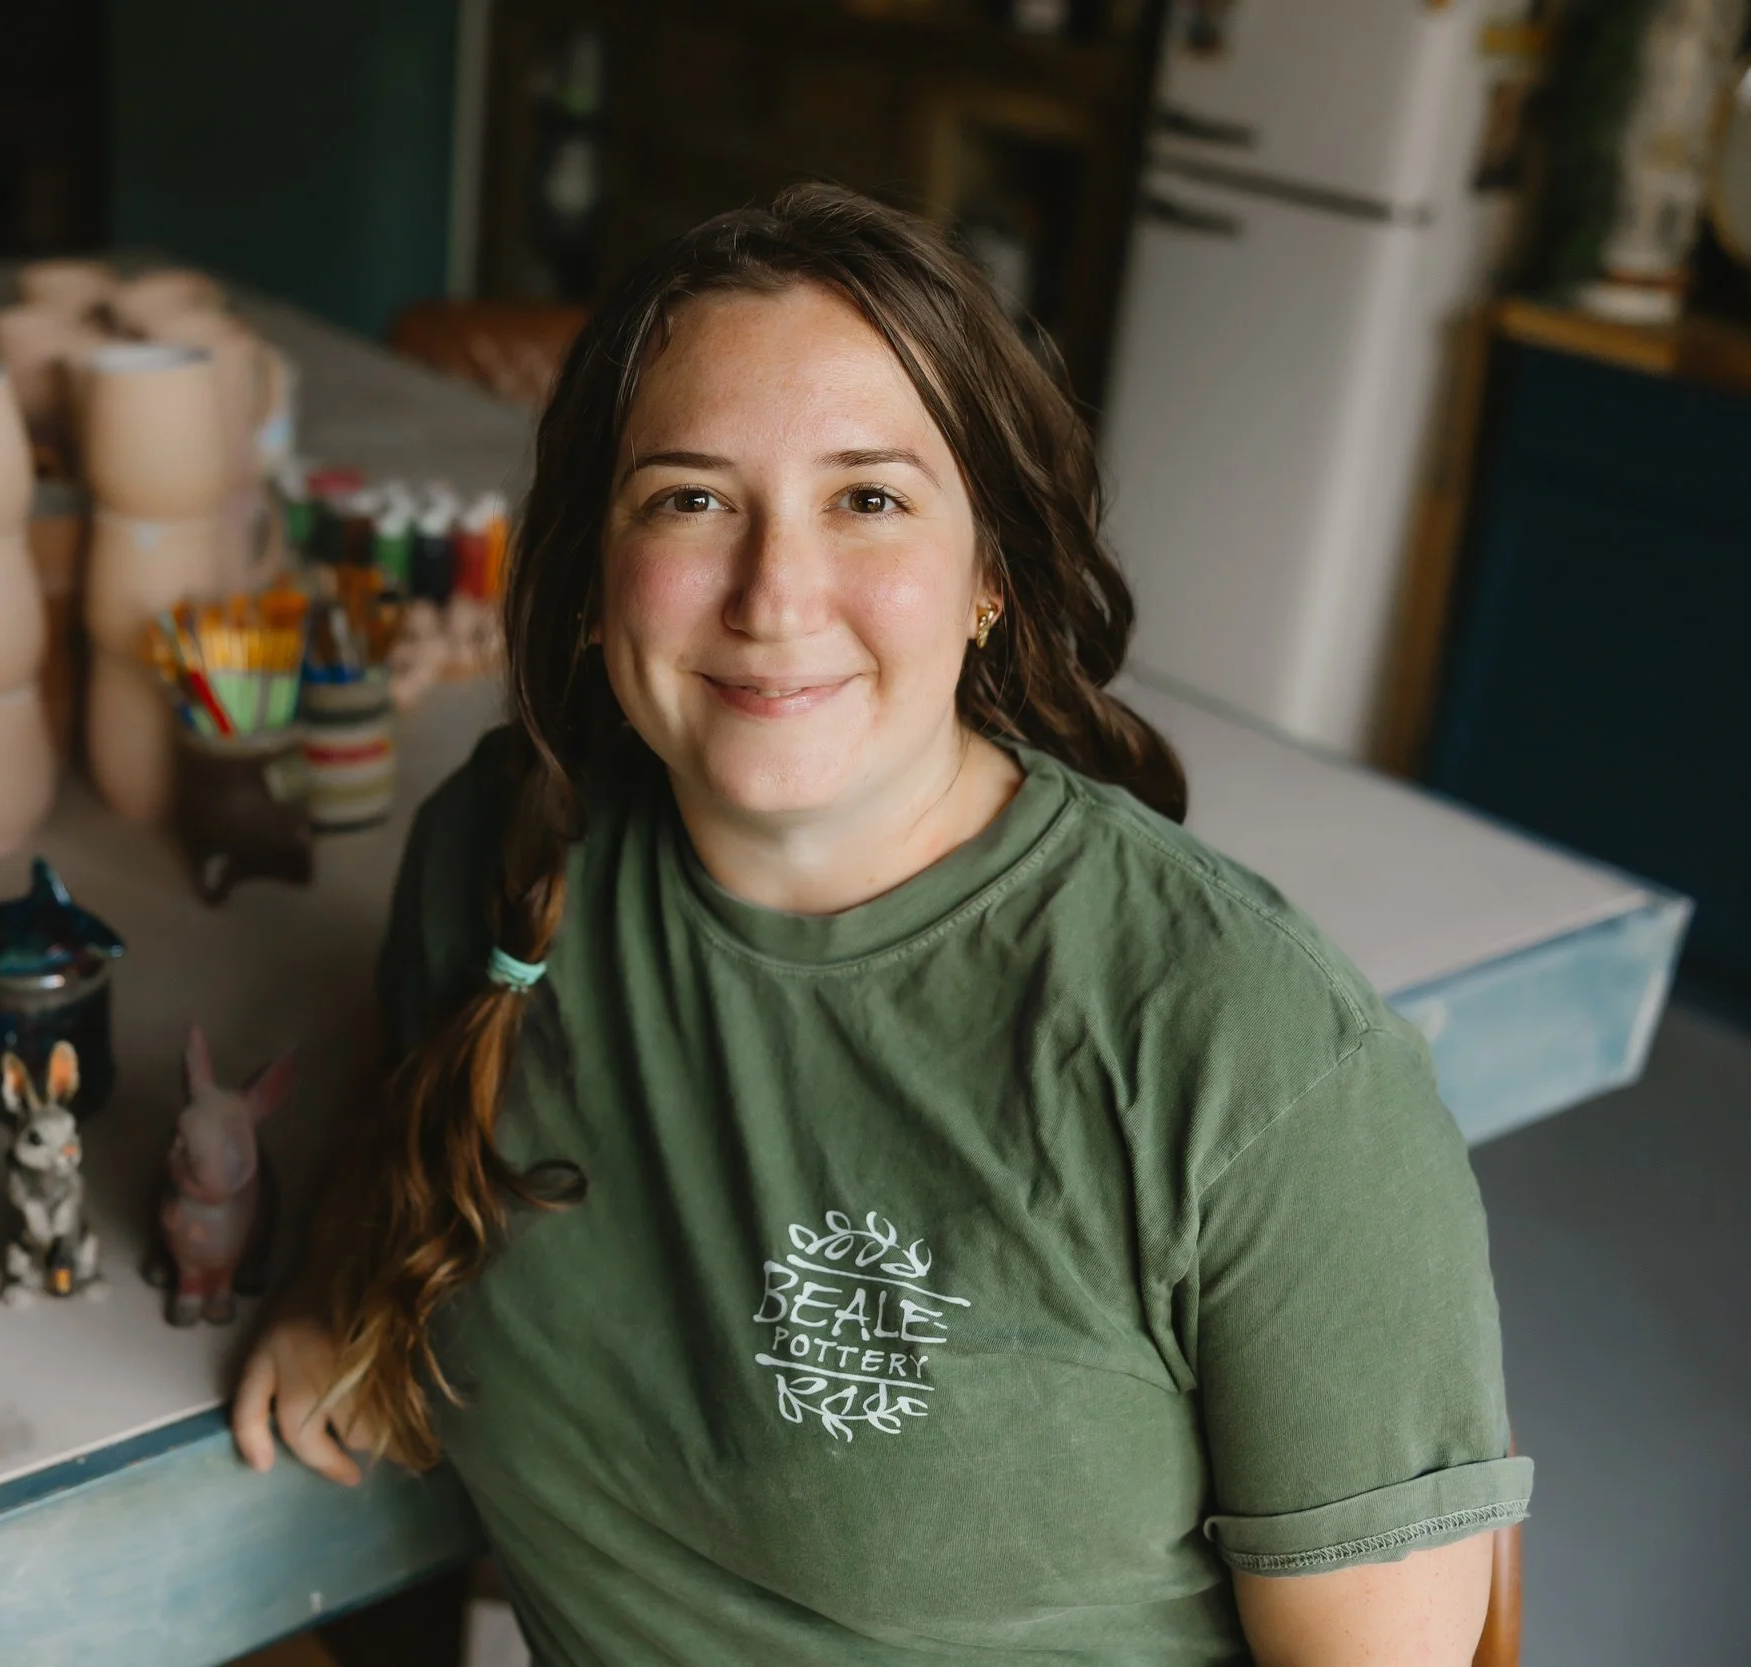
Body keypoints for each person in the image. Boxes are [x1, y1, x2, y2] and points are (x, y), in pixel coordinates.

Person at [235, 184, 1529, 1665]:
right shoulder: (504, 850)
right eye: (691, 497)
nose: (776, 594)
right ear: (595, 580)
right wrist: (343, 1273)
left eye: (868, 497)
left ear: (989, 572)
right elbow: (417, 1100)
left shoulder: (1261, 1068)